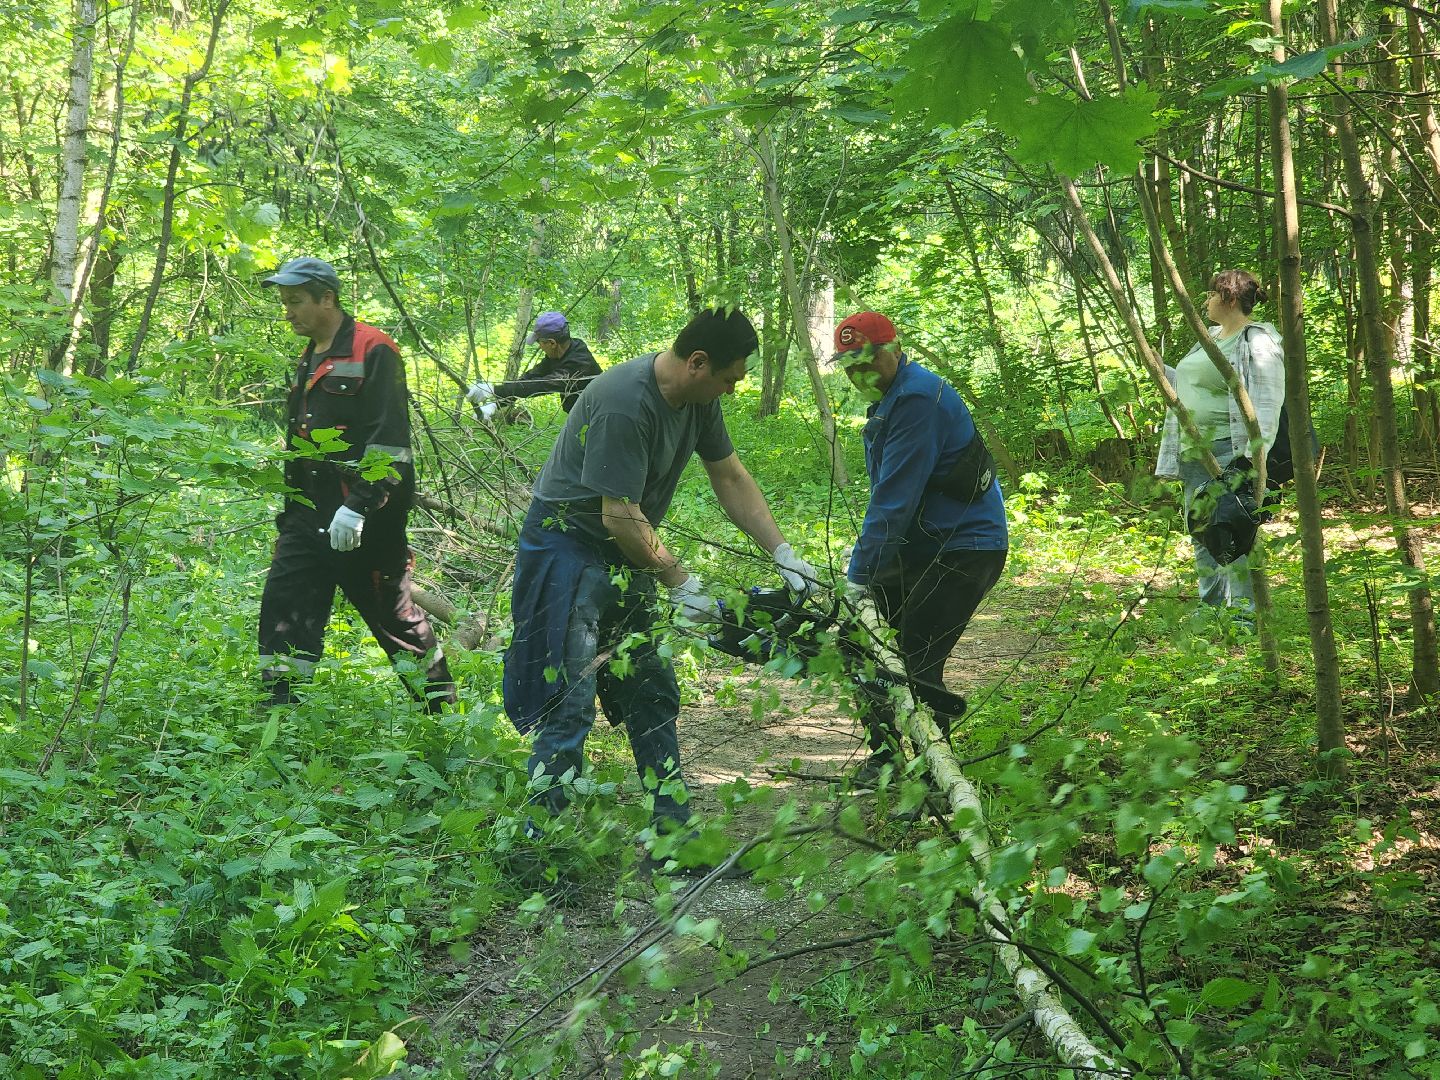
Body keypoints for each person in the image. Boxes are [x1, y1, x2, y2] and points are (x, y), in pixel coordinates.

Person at [503, 306, 818, 837]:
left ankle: (674, 835)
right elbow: (618, 513)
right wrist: (681, 582)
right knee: (570, 698)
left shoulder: (698, 400)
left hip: (626, 546)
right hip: (566, 545)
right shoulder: (624, 401)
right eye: (729, 379)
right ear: (698, 362)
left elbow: (731, 477)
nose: (733, 390)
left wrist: (783, 552)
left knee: (651, 686)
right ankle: (538, 840)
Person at [257, 257, 457, 712]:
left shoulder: (374, 349)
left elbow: (389, 441)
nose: (287, 311)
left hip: (367, 519)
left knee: (395, 618)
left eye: (295, 301)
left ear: (327, 298)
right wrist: (290, 514)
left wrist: (360, 507)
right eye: (284, 302)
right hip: (307, 515)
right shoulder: (310, 355)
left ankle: (442, 713)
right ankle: (278, 718)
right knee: (285, 607)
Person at [834, 311, 1008, 780]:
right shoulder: (890, 398)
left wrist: (858, 577)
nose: (857, 374)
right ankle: (887, 759)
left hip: (966, 547)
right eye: (848, 365)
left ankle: (937, 775)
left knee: (915, 656)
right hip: (921, 544)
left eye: (866, 361)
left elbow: (894, 500)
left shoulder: (916, 400)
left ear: (893, 349)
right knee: (859, 641)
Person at [1155, 270, 1285, 617]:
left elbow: (1268, 401)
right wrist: (1160, 370)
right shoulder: (1209, 337)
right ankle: (1211, 606)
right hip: (1194, 451)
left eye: (1212, 295)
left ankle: (1244, 611)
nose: (1207, 301)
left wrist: (1251, 457)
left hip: (1231, 451)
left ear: (1229, 299)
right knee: (1202, 529)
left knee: (1235, 528)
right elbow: (1191, 383)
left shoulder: (1256, 341)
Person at [467, 310, 602, 416]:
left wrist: (493, 390)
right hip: (583, 415)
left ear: (552, 343)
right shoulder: (563, 352)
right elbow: (531, 377)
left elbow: (542, 385)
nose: (540, 347)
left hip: (600, 415)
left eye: (540, 342)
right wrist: (496, 403)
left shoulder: (579, 364)